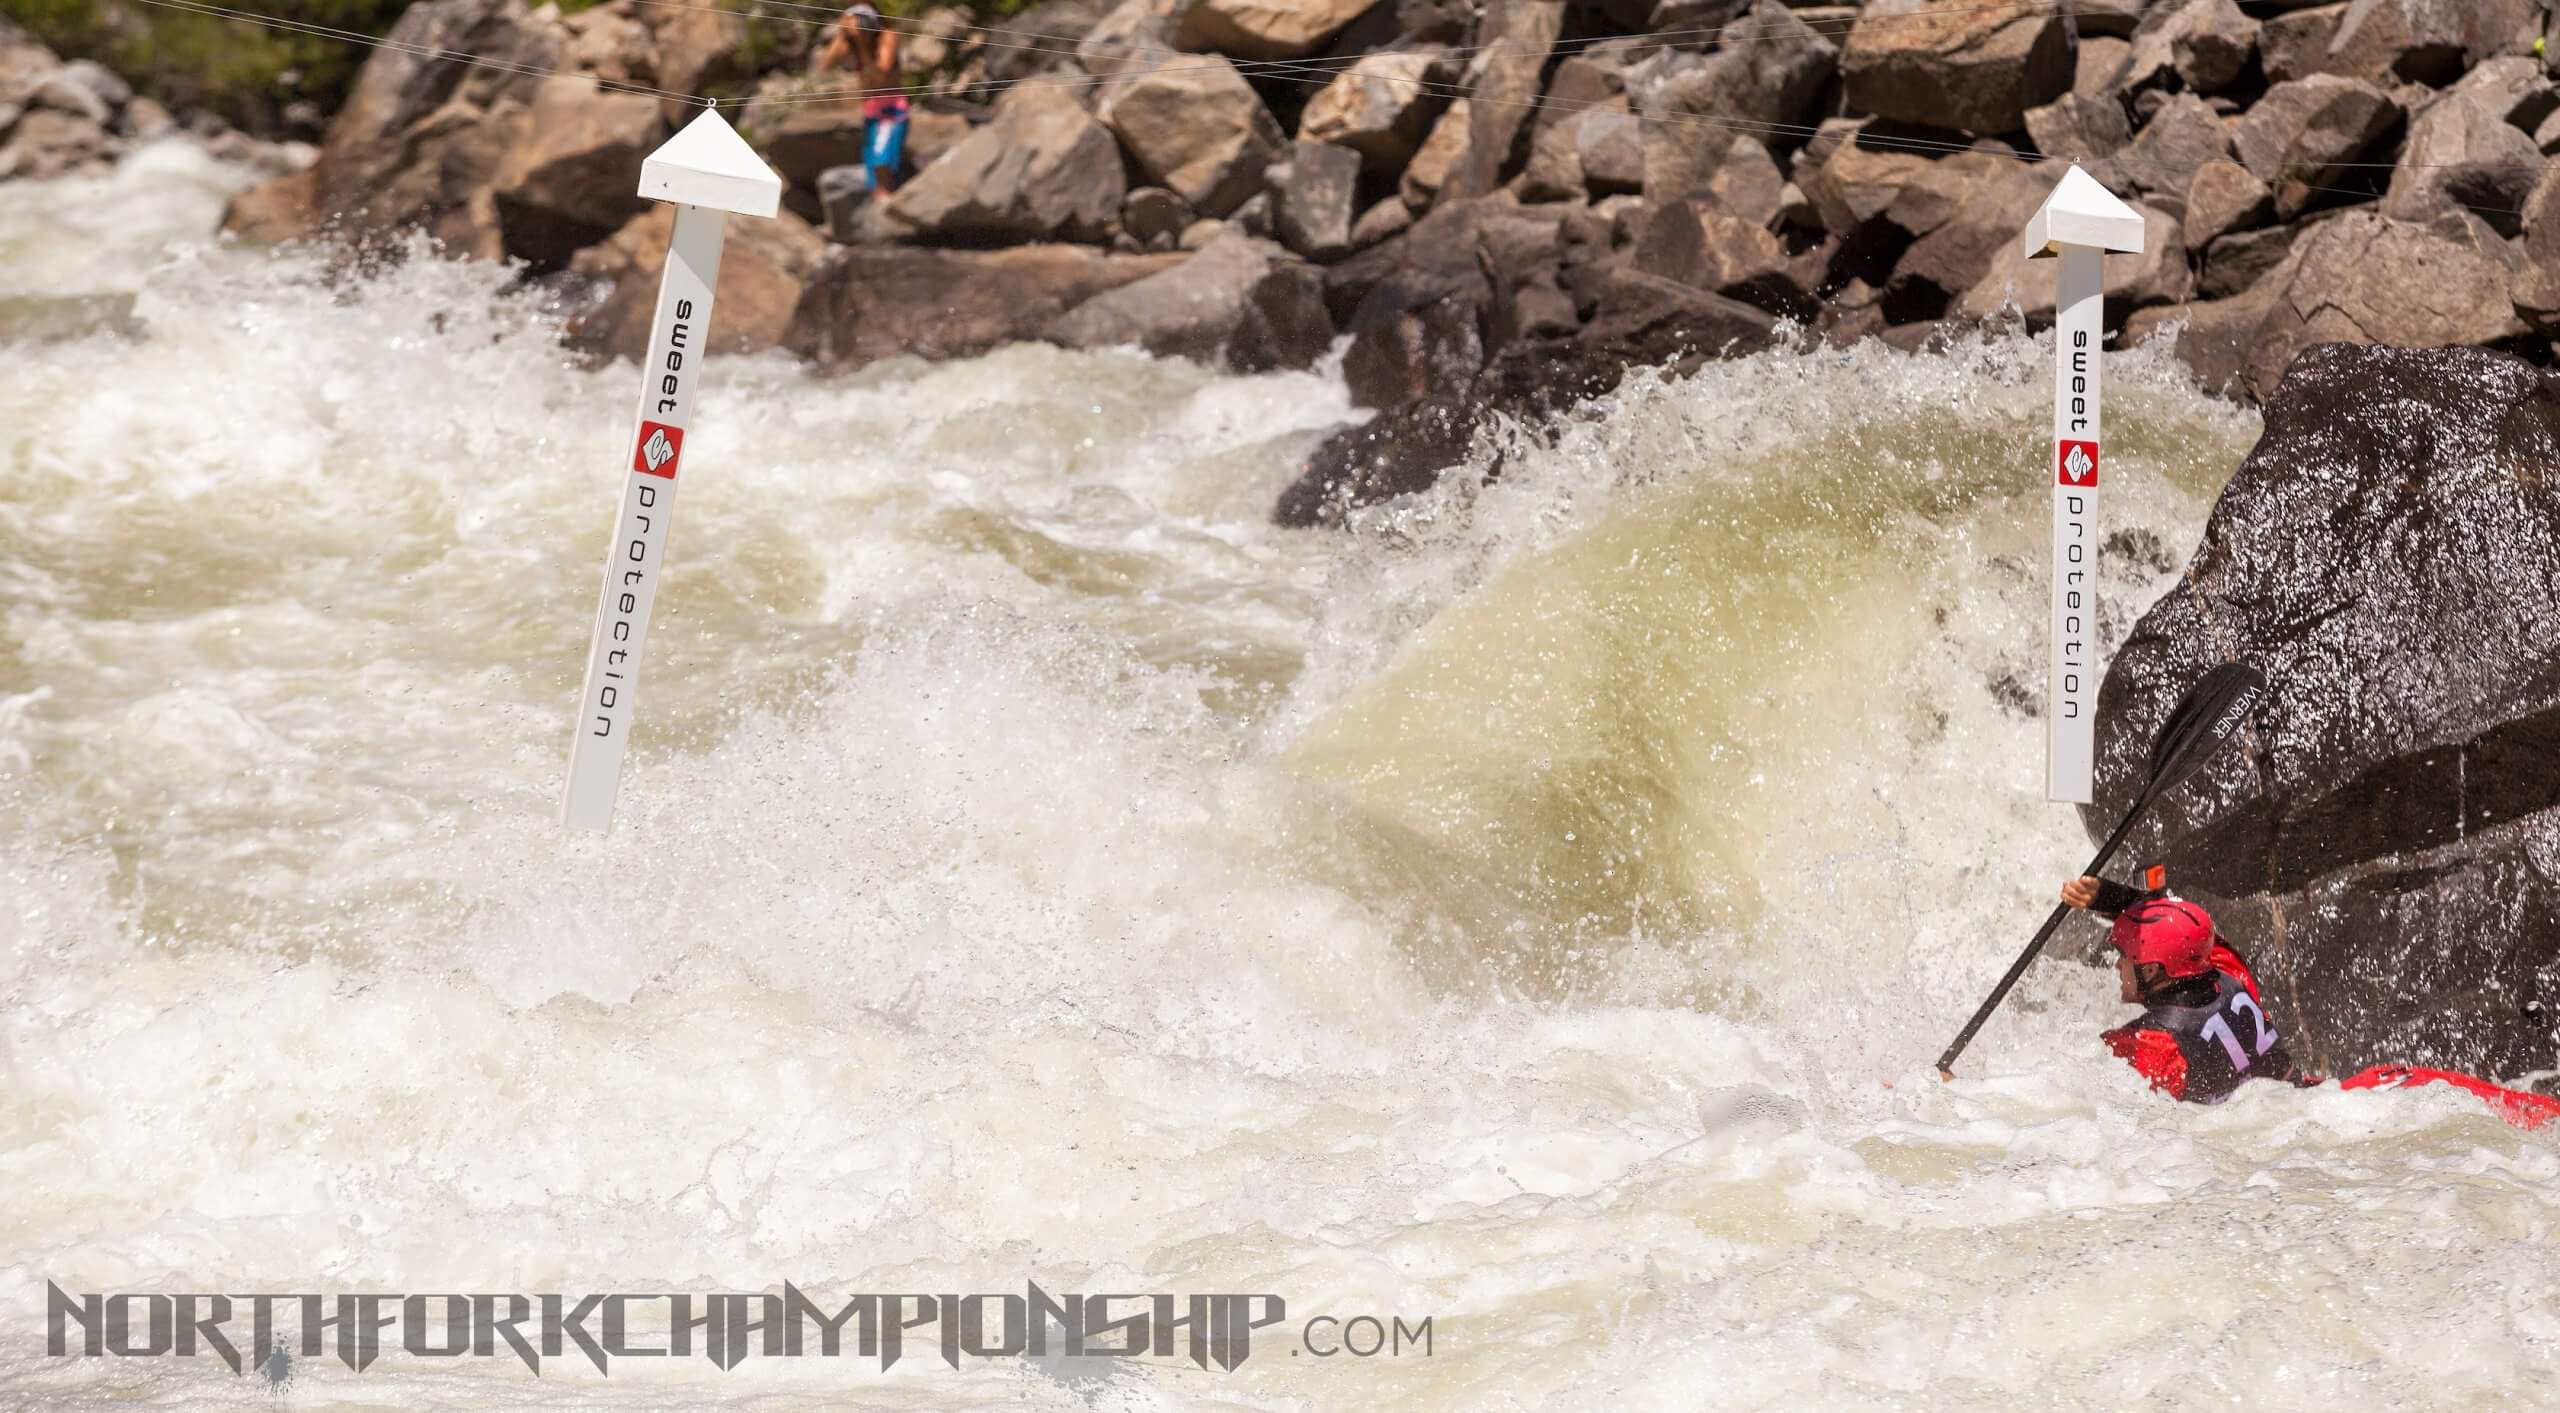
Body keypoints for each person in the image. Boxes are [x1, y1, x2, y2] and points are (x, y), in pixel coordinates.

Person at [2063, 874, 2560, 1127]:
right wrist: (2115, 897)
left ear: (2153, 969)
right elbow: (2191, 925)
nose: (2117, 964)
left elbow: (2102, 1111)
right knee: (2525, 1114)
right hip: (2339, 1100)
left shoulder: (2146, 1045)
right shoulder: (2229, 976)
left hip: (2290, 1140)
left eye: (2124, 955)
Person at [816, 3, 907, 195]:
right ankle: (881, 210)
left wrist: (862, 43)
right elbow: (825, 65)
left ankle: (887, 210)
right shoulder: (852, 43)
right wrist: (843, 34)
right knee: (872, 170)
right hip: (871, 112)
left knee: (881, 165)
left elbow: (880, 74)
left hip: (891, 111)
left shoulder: (886, 35)